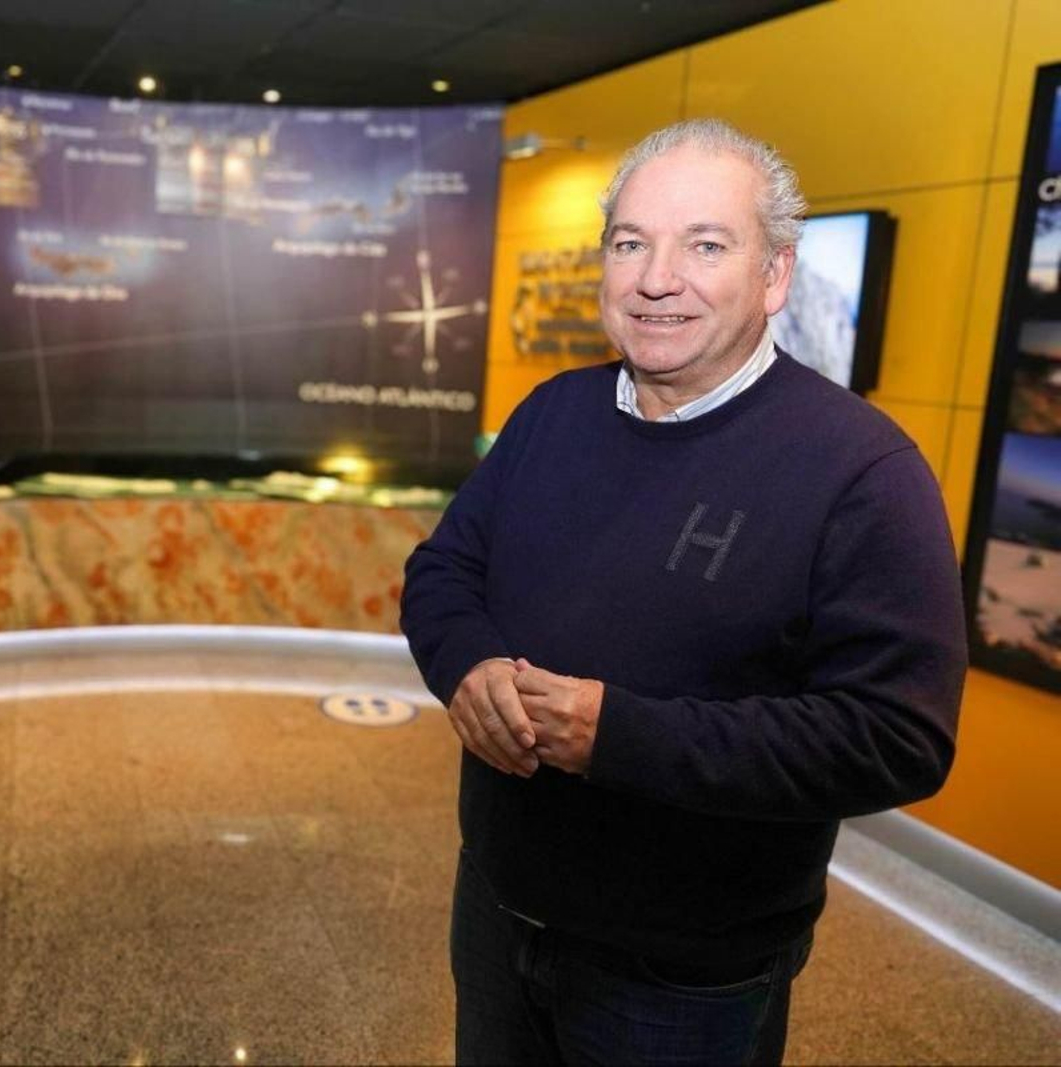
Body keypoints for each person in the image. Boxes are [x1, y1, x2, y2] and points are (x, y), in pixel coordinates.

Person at [400, 118, 967, 1066]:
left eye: (706, 244)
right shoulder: (551, 413)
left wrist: (617, 735)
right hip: (497, 911)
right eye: (631, 244)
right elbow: (443, 570)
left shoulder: (861, 471)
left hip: (684, 977)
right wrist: (469, 667)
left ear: (776, 275)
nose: (657, 279)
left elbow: (896, 736)